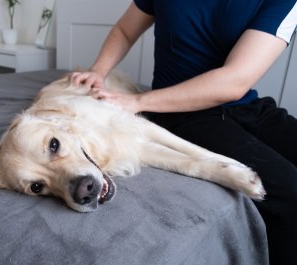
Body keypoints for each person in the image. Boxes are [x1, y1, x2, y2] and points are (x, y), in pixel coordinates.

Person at [71, 1, 297, 264]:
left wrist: (135, 102)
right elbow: (124, 30)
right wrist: (98, 71)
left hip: (247, 106)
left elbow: (235, 81)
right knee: (290, 190)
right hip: (178, 113)